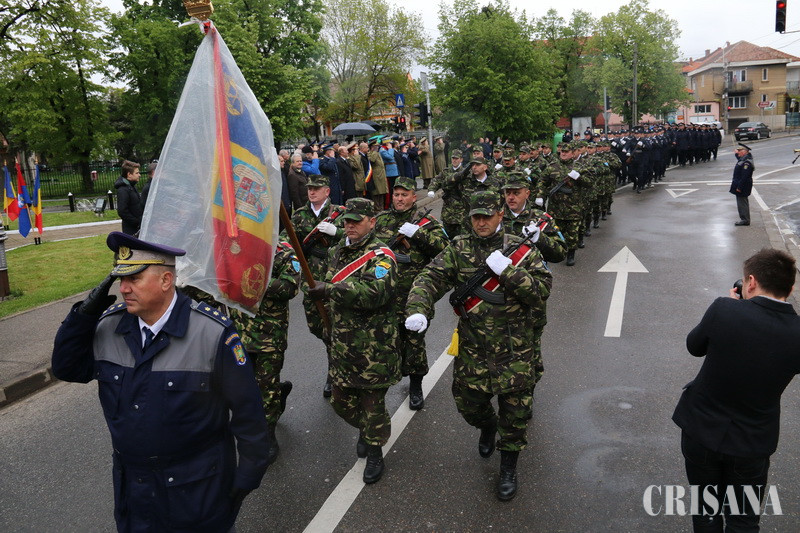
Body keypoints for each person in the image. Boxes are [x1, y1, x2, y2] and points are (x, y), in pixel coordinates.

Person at [51, 232, 271, 532]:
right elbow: (67, 369)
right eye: (120, 278)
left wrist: (247, 477)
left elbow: (248, 411)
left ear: (166, 280)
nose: (123, 288)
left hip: (197, 493)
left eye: (134, 279)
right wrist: (84, 315)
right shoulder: (108, 326)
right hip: (135, 494)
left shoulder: (211, 333)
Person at [405, 191, 552, 501]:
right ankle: (487, 426)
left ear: (501, 215)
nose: (481, 222)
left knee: (516, 415)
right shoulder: (459, 248)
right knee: (469, 405)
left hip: (515, 348)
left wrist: (508, 271)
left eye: (487, 216)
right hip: (474, 347)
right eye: (476, 217)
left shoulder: (522, 249)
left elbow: (541, 290)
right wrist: (418, 308)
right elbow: (429, 277)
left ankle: (508, 467)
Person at [672, 248, 800, 532]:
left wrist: (733, 307)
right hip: (752, 442)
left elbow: (694, 346)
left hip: (702, 429)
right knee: (743, 520)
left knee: (706, 512)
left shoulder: (724, 309)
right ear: (790, 289)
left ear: (750, 282)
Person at [307, 197, 400, 484]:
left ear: (372, 222)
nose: (350, 226)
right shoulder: (336, 250)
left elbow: (376, 293)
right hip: (342, 343)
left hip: (373, 347)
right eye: (347, 221)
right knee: (340, 401)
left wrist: (331, 290)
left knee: (372, 403)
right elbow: (319, 287)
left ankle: (375, 450)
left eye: (356, 222)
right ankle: (370, 429)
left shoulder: (382, 256)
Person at [375, 176, 449, 410]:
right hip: (386, 296)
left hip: (414, 296)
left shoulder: (426, 222)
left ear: (413, 197)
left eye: (404, 195)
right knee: (387, 343)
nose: (399, 199)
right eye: (396, 194)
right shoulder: (382, 220)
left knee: (414, 343)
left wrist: (418, 234)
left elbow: (445, 250)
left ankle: (416, 385)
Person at [230, 239, 301, 464]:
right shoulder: (233, 248)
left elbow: (290, 286)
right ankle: (278, 394)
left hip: (269, 335)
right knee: (245, 385)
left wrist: (250, 278)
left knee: (265, 386)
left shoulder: (282, 252)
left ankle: (267, 436)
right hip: (239, 334)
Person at [288, 174, 345, 397]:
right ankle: (336, 361)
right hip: (311, 282)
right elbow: (287, 240)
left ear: (326, 191)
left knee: (335, 328)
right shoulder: (300, 215)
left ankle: (335, 372)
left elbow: (355, 238)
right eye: (309, 188)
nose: (311, 192)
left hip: (334, 281)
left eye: (316, 188)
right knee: (317, 326)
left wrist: (337, 232)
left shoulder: (339, 213)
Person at [115, 160, 144, 235]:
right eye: (137, 173)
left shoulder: (131, 187)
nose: (139, 175)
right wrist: (137, 223)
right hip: (131, 230)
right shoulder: (123, 190)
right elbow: (122, 211)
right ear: (129, 174)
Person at [731, 143, 754, 226]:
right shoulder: (744, 159)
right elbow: (740, 160)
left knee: (742, 203)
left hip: (743, 185)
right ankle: (744, 219)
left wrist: (739, 187)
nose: (738, 152)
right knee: (741, 202)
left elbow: (745, 176)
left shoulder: (747, 162)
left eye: (739, 151)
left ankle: (745, 220)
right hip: (742, 184)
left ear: (744, 152)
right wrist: (736, 154)